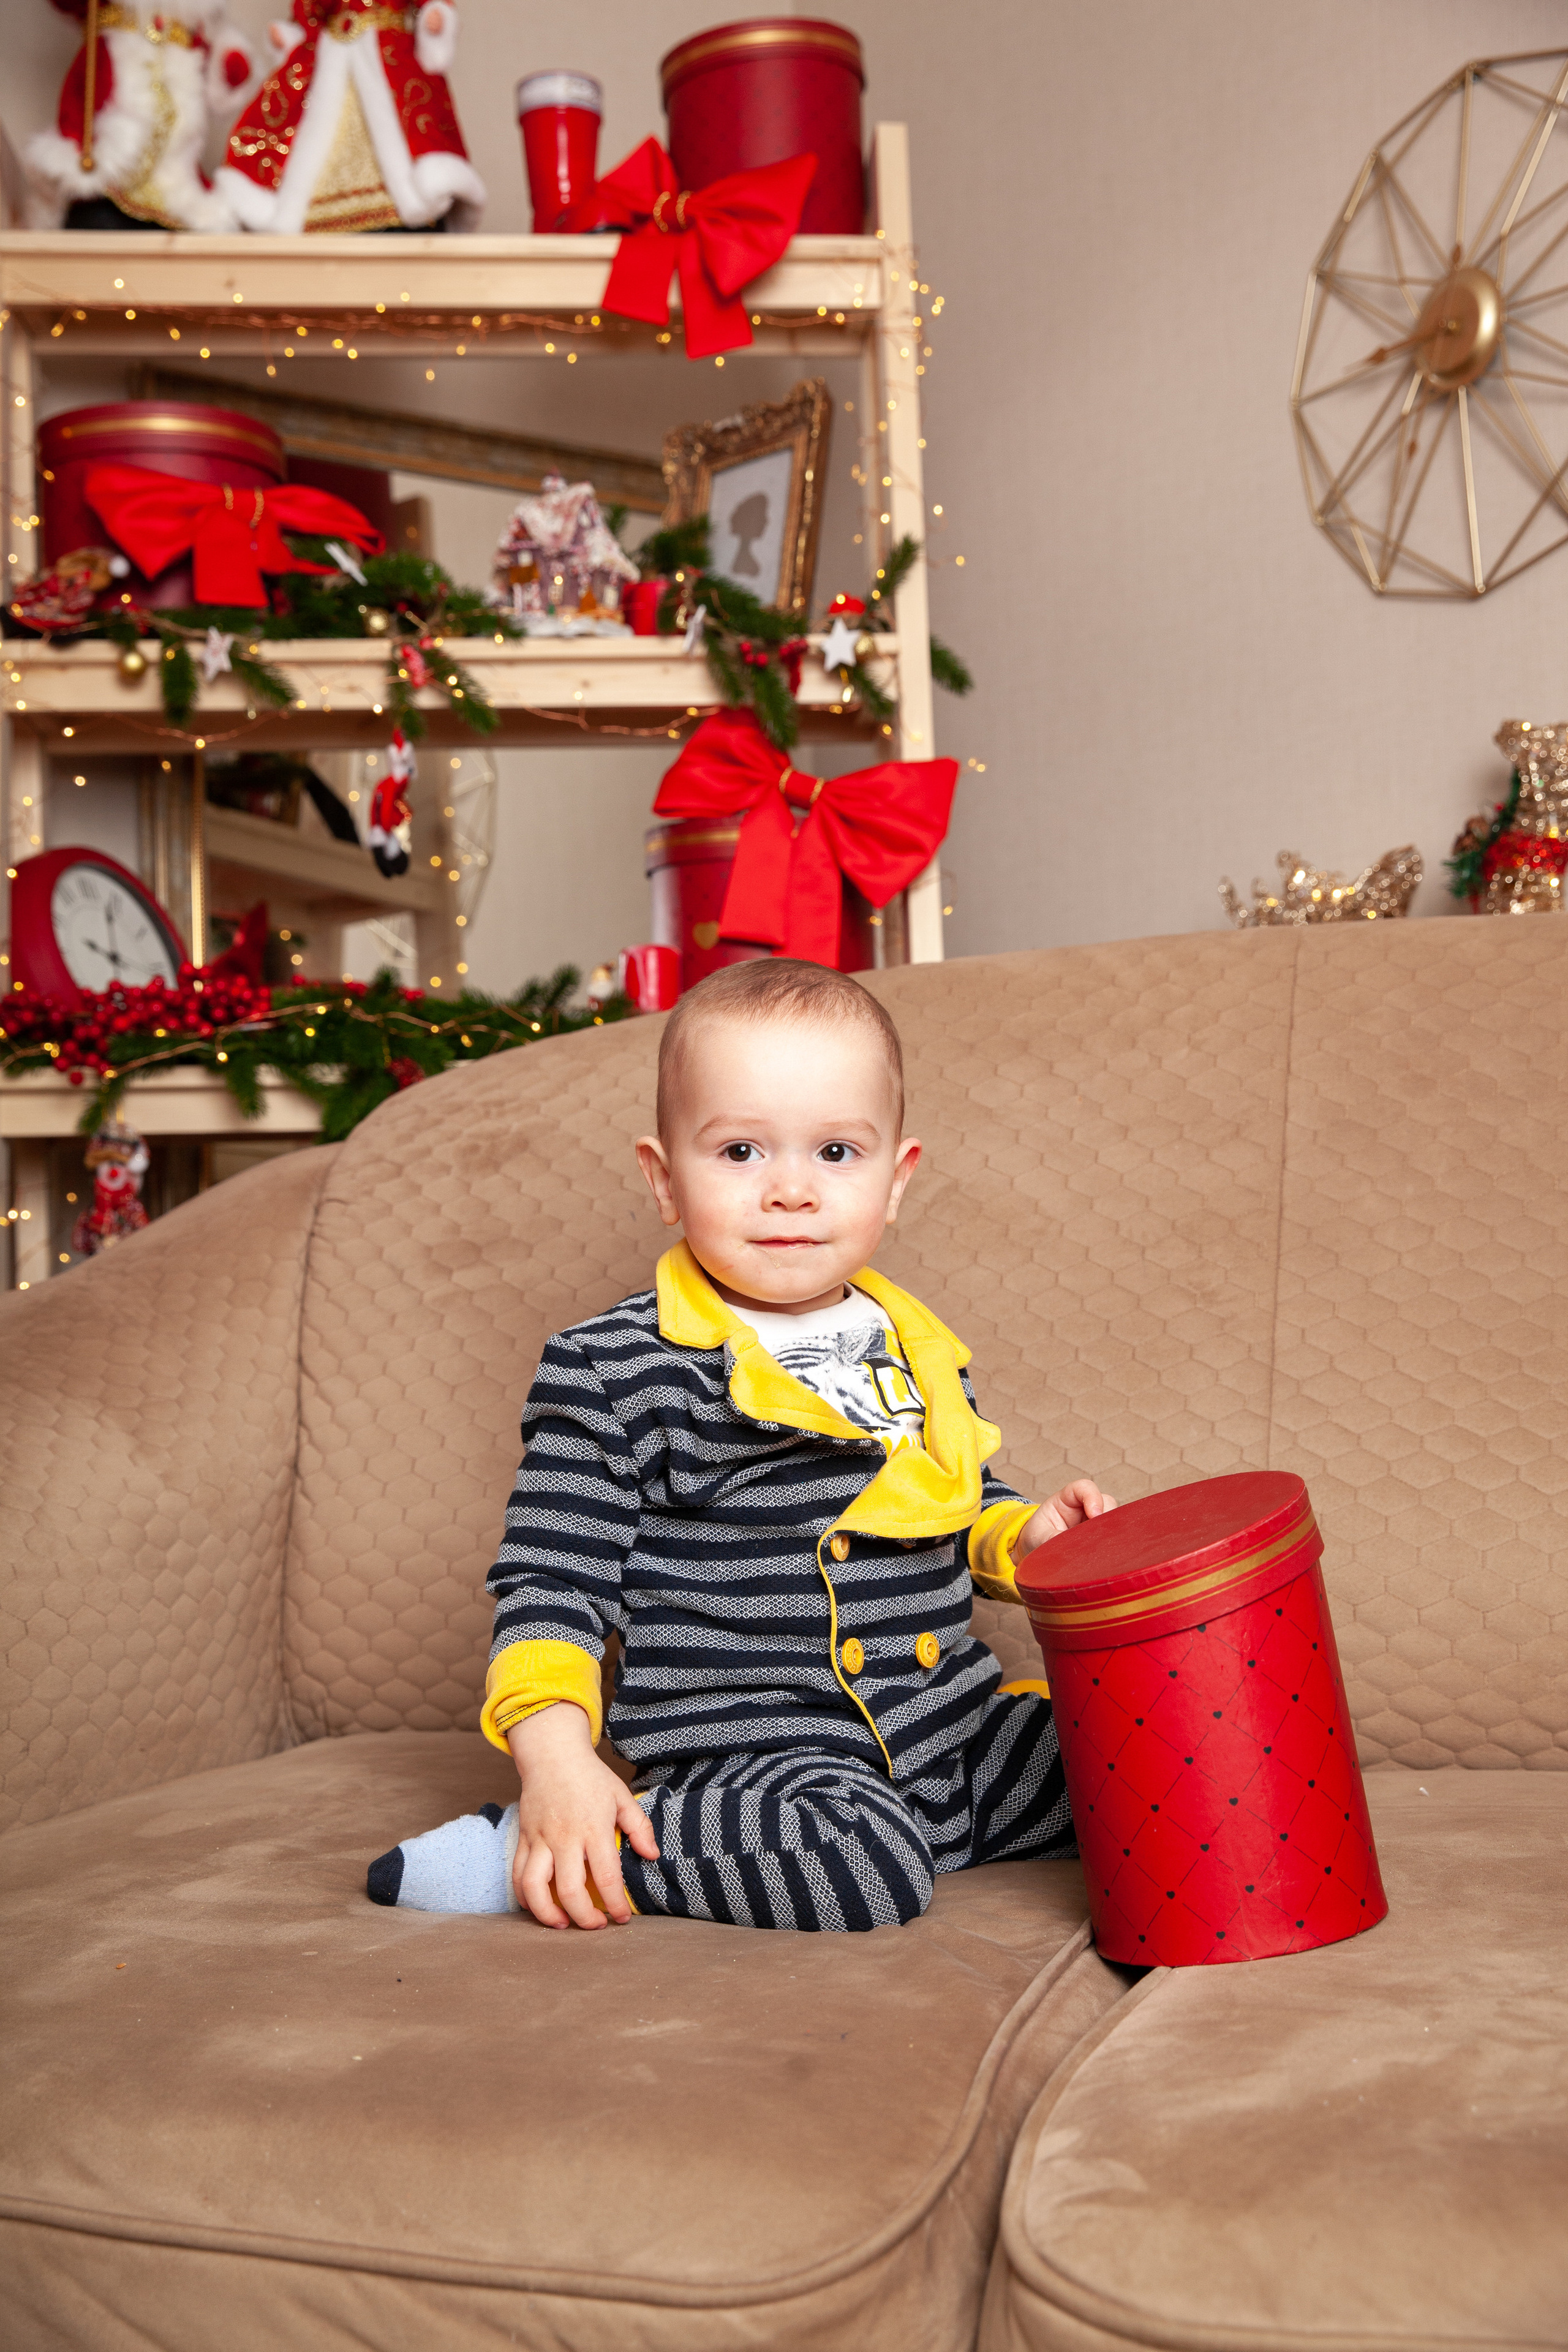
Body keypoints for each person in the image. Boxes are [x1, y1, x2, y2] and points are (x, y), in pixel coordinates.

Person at [368, 959, 1115, 1931]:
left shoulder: (917, 1348)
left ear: (898, 1179)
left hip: (952, 1738)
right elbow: (553, 1587)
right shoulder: (616, 1370)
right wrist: (558, 1764)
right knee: (865, 1866)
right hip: (769, 1761)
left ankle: (933, 1820)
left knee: (1132, 1744)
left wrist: (1028, 1539)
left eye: (838, 1153)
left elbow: (956, 1495)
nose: (793, 1191)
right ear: (663, 1177)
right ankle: (575, 1847)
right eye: (741, 1153)